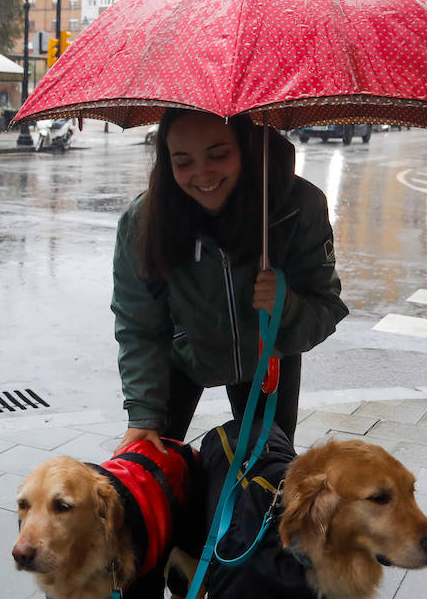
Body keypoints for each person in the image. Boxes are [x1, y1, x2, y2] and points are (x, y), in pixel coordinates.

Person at [112, 108, 347, 456]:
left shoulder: (298, 207)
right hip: (180, 354)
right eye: (182, 162)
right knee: (149, 463)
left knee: (268, 473)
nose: (202, 174)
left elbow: (325, 307)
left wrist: (287, 306)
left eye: (218, 155)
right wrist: (144, 417)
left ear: (246, 146)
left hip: (268, 353)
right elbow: (139, 325)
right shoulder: (144, 221)